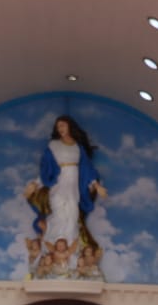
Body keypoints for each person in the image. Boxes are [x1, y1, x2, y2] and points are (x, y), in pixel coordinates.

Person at [25, 115, 105, 276]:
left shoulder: (78, 147)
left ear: (69, 126)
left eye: (62, 125)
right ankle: (52, 255)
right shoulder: (53, 146)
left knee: (72, 215)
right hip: (58, 184)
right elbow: (46, 169)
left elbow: (87, 169)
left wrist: (96, 186)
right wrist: (35, 184)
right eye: (58, 126)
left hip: (73, 186)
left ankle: (72, 259)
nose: (60, 129)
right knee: (58, 214)